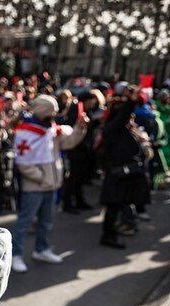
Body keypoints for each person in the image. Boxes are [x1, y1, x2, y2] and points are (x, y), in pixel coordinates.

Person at [11, 95, 88, 273]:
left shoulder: (51, 130)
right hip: (35, 187)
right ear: (44, 111)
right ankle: (16, 255)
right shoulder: (26, 131)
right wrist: (42, 177)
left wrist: (80, 128)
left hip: (51, 185)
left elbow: (69, 143)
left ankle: (41, 249)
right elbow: (23, 163)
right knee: (25, 222)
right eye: (52, 110)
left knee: (46, 222)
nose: (56, 114)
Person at [99, 89, 153, 249]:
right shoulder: (113, 128)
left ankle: (119, 229)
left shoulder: (124, 129)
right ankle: (108, 236)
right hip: (116, 173)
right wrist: (131, 101)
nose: (131, 118)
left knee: (121, 204)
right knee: (113, 207)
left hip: (125, 173)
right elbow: (121, 117)